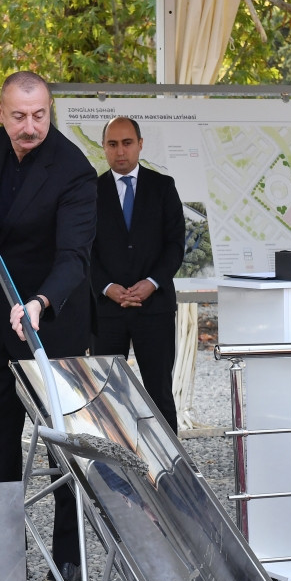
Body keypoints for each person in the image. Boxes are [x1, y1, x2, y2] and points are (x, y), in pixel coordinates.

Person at [0, 71, 97, 581]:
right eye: (19, 117)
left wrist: (38, 302)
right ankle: (1, 565)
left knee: (60, 447)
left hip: (51, 322)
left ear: (50, 111)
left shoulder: (76, 170)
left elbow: (75, 258)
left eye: (40, 116)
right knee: (0, 445)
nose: (30, 127)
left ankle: (68, 569)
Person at [90, 117, 186, 432]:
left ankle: (170, 474)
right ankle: (110, 471)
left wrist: (151, 283)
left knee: (158, 393)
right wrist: (106, 287)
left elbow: (175, 245)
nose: (121, 151)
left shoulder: (163, 187)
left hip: (154, 308)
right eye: (113, 144)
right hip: (106, 311)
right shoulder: (90, 191)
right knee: (106, 395)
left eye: (127, 143)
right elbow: (82, 248)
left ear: (140, 144)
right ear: (104, 147)